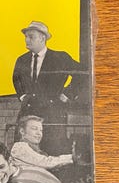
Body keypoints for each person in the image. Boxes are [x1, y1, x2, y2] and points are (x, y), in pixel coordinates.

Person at [13, 21, 82, 154]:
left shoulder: (60, 57)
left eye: (31, 36)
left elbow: (82, 75)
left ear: (42, 38)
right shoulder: (21, 60)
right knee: (24, 152)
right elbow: (16, 78)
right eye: (26, 37)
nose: (26, 40)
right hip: (28, 113)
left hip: (52, 113)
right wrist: (22, 96)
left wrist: (68, 94)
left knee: (52, 151)